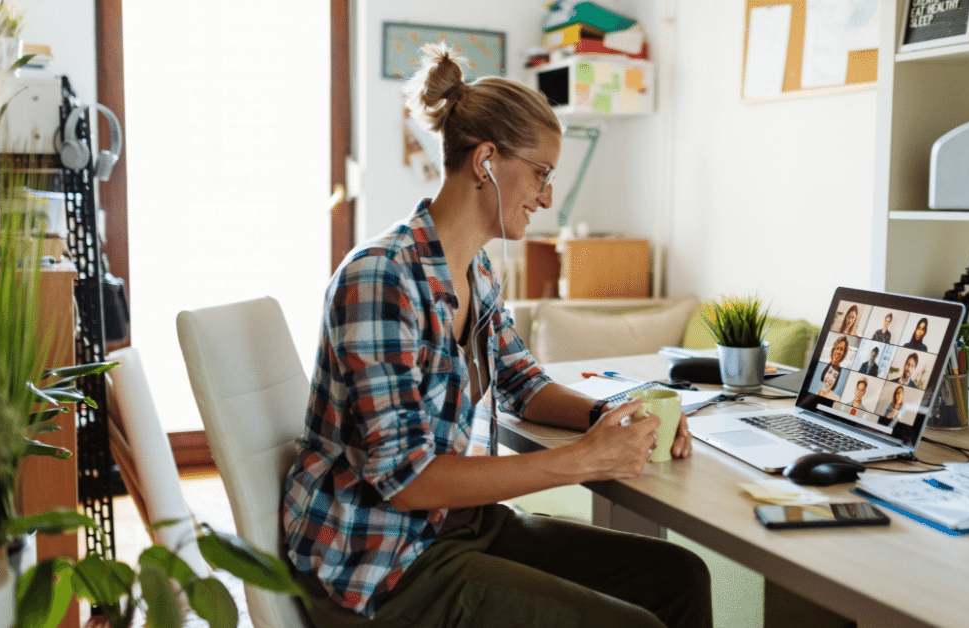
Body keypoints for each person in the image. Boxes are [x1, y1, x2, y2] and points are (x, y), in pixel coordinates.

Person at [281, 44, 711, 628]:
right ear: (486, 160)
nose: (546, 197)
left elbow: (522, 384)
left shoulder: (475, 269)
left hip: (458, 527)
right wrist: (584, 462)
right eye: (541, 172)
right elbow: (407, 481)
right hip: (382, 563)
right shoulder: (381, 277)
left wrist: (614, 419)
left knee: (679, 577)